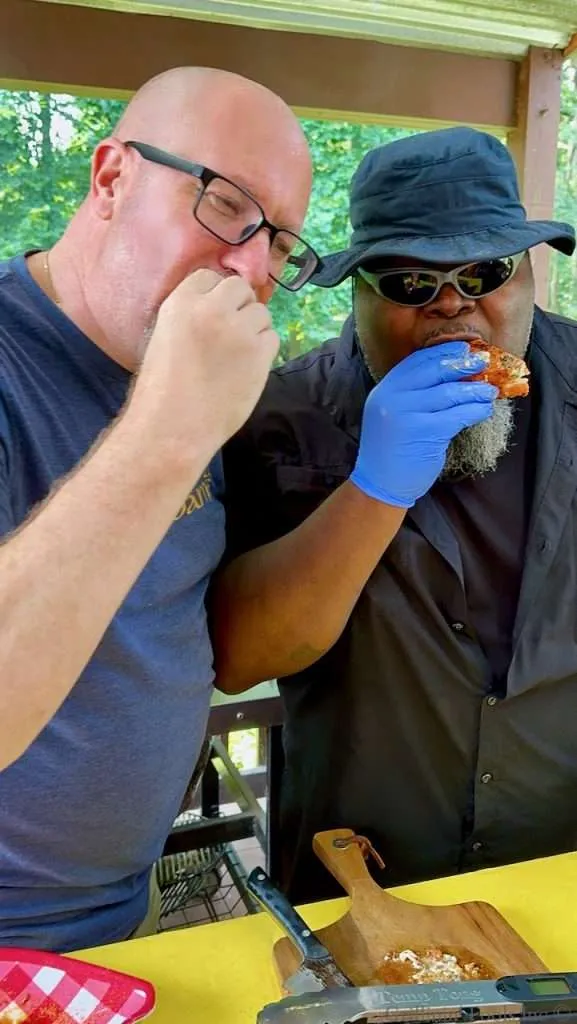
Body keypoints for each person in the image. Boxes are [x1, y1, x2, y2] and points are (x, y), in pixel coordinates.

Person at [0, 64, 319, 951]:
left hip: (127, 911)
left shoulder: (180, 362)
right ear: (112, 178)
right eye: (224, 204)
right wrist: (171, 427)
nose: (250, 267)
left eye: (281, 244)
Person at [218, 126, 577, 904]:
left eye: (485, 272)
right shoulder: (278, 415)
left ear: (526, 274)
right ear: (357, 290)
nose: (453, 308)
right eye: (411, 283)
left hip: (559, 865)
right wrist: (374, 490)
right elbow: (237, 656)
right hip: (363, 875)